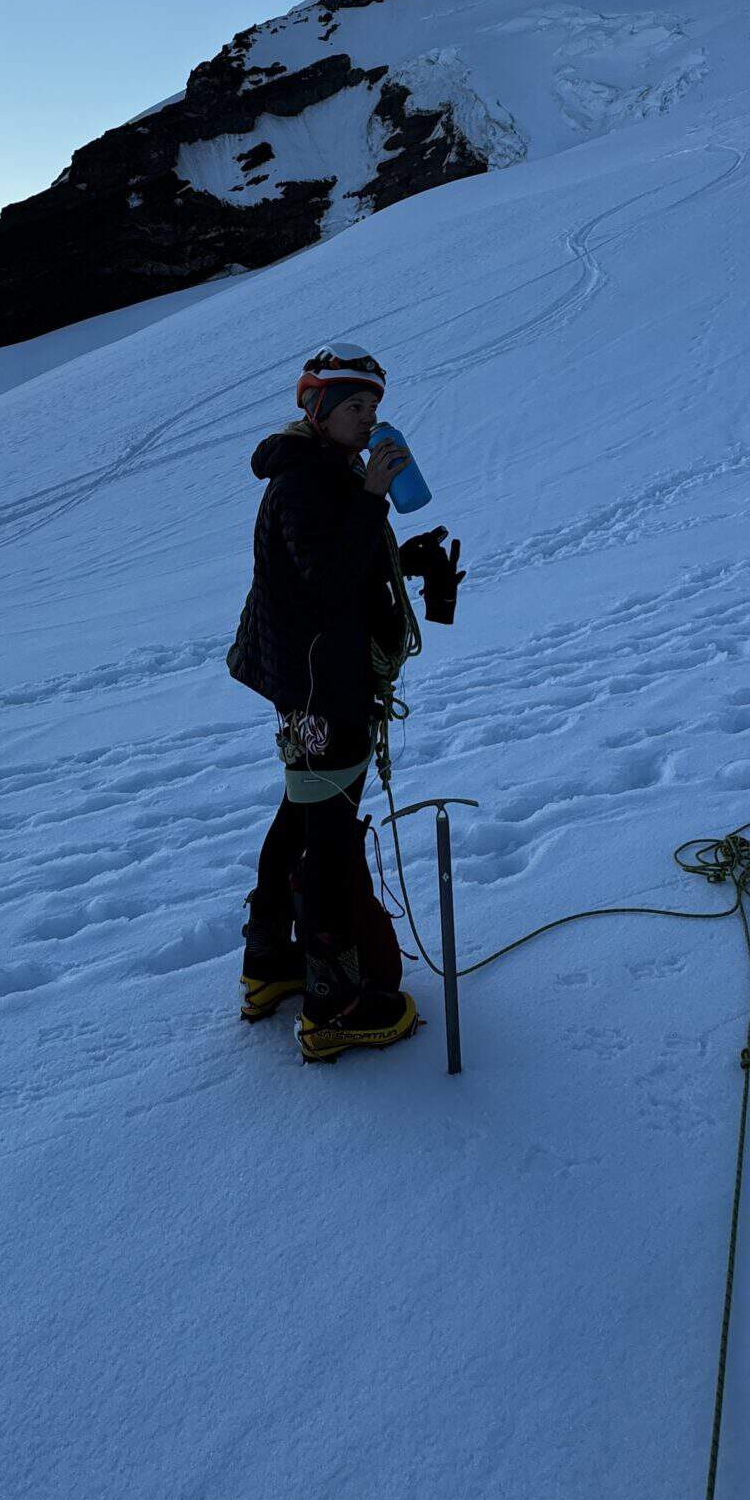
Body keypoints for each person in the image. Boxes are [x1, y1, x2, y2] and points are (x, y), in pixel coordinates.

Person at [226, 344, 466, 1062]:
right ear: (316, 410)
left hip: (312, 684)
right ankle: (335, 1004)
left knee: (303, 815)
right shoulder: (305, 482)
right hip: (320, 691)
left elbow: (341, 564)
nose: (369, 420)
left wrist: (407, 555)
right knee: (327, 835)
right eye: (354, 408)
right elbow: (326, 582)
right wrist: (369, 501)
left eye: (373, 408)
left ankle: (270, 963)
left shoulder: (327, 474)